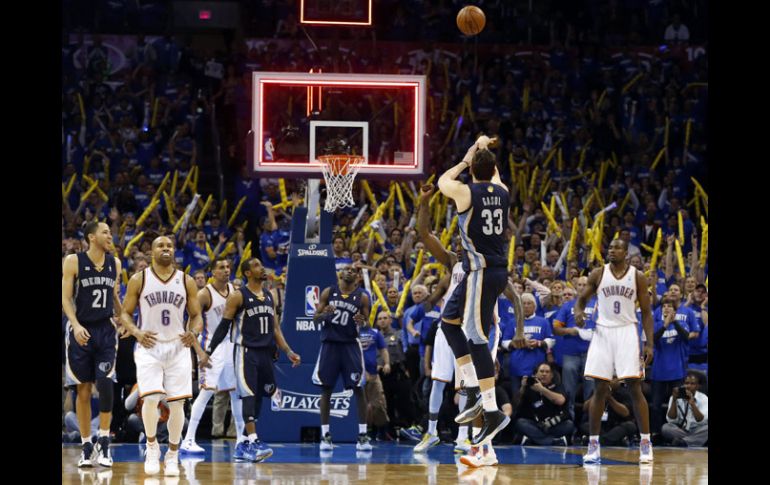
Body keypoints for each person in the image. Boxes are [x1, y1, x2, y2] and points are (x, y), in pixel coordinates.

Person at [437, 134, 514, 445]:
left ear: (472, 171)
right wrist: (482, 150)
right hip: (484, 271)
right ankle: (470, 385)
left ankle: (492, 410)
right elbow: (492, 174)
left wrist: (469, 154)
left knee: (475, 335)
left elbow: (444, 179)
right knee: (448, 322)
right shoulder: (504, 191)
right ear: (494, 168)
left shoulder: (466, 192)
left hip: (482, 271)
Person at [119, 235, 209, 476]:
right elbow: (125, 314)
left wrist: (194, 331)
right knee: (150, 399)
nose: (166, 248)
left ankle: (172, 453)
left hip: (178, 346)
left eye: (170, 245)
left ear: (174, 251)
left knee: (177, 402)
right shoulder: (140, 279)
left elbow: (197, 315)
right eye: (161, 245)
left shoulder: (186, 281)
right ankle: (151, 447)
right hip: (149, 346)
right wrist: (137, 333)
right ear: (152, 251)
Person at [206, 257, 301, 462]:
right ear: (248, 273)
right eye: (257, 265)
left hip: (266, 353)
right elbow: (223, 326)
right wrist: (209, 351)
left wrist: (288, 350)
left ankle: (243, 444)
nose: (262, 267)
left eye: (261, 264)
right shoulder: (238, 296)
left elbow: (275, 328)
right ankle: (253, 440)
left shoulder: (268, 295)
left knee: (262, 393)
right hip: (245, 352)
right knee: (248, 394)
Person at [575, 238, 655, 464]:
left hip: (628, 331)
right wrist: (579, 313)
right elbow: (580, 301)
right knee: (599, 388)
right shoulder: (598, 274)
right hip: (603, 332)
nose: (612, 250)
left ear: (626, 253)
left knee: (634, 387)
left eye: (617, 247)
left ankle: (646, 443)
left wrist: (649, 343)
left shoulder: (637, 276)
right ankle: (593, 444)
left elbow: (647, 313)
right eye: (609, 247)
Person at [62, 221, 123, 467]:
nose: (110, 235)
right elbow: (66, 298)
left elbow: (114, 296)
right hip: (81, 329)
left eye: (110, 231)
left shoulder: (115, 264)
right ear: (92, 237)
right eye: (105, 232)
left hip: (106, 330)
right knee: (83, 390)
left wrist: (125, 320)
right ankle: (87, 445)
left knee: (106, 384)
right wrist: (75, 325)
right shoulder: (73, 261)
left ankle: (104, 442)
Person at [181, 258, 245, 453]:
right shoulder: (204, 294)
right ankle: (189, 439)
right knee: (207, 392)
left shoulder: (235, 291)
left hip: (231, 347)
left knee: (236, 393)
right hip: (211, 349)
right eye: (221, 268)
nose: (226, 270)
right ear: (212, 273)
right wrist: (198, 352)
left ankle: (242, 439)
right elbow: (190, 325)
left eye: (228, 267)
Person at [312, 264, 372, 452]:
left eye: (353, 270)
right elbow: (315, 318)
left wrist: (363, 321)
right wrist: (324, 314)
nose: (350, 271)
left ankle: (362, 435)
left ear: (357, 277)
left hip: (350, 345)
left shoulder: (362, 296)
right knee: (326, 389)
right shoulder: (328, 292)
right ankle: (325, 435)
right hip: (330, 345)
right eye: (347, 269)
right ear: (340, 273)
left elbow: (367, 322)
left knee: (358, 388)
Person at [650, 298, 690, 435]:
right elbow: (653, 339)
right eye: (664, 306)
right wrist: (665, 325)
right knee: (655, 406)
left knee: (679, 405)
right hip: (658, 372)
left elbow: (686, 337)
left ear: (674, 310)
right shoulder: (656, 324)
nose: (666, 308)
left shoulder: (682, 324)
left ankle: (678, 433)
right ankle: (656, 433)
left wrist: (674, 322)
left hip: (677, 372)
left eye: (669, 306)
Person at [514, 362, 574, 446]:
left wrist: (542, 389)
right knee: (520, 423)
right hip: (535, 424)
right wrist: (523, 387)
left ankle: (534, 440)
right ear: (535, 374)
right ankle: (552, 441)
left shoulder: (558, 386)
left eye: (547, 372)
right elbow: (516, 403)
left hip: (553, 425)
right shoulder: (529, 387)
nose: (544, 374)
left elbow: (561, 400)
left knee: (569, 425)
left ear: (552, 375)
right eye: (541, 371)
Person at [578, 378, 638, 446]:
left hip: (616, 426)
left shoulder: (624, 392)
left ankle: (599, 441)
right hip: (599, 426)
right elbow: (585, 408)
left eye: (614, 379)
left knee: (630, 426)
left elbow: (626, 412)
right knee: (585, 425)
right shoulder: (598, 390)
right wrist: (598, 395)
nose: (611, 381)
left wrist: (609, 398)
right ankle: (612, 441)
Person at [661, 372, 708, 446]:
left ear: (698, 386)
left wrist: (692, 404)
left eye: (692, 384)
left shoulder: (704, 398)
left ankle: (684, 442)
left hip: (697, 429)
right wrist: (674, 400)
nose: (688, 386)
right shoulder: (675, 396)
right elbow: (671, 419)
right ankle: (692, 441)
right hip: (680, 430)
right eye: (686, 383)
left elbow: (702, 420)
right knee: (666, 428)